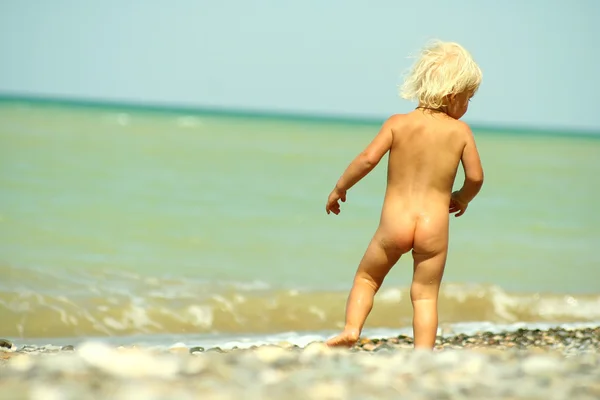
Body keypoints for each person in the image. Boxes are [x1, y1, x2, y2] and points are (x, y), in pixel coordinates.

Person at [325, 40, 484, 349]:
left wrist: (340, 187)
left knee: (367, 279)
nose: (467, 106)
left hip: (394, 224)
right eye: (468, 98)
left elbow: (367, 159)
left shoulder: (398, 124)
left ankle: (351, 330)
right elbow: (476, 177)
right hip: (433, 227)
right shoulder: (461, 132)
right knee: (425, 295)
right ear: (453, 96)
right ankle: (422, 354)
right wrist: (462, 197)